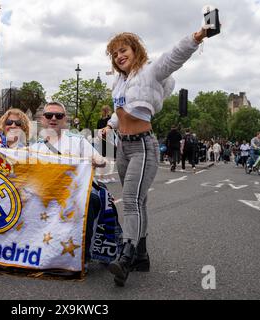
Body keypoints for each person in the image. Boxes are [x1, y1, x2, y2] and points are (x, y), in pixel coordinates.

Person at [99, 21, 215, 286]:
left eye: (123, 50)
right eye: (115, 54)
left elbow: (174, 55)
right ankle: (142, 255)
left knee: (130, 199)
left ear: (135, 50)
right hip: (123, 147)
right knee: (139, 201)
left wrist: (197, 37)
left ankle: (126, 256)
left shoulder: (150, 71)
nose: (119, 56)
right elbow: (122, 112)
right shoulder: (119, 82)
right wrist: (109, 126)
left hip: (142, 145)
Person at [30, 102, 107, 264]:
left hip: (76, 193)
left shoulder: (78, 141)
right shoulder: (35, 147)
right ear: (42, 119)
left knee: (89, 200)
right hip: (48, 194)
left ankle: (82, 258)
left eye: (58, 116)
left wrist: (95, 160)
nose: (53, 119)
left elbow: (102, 161)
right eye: (49, 115)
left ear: (65, 120)